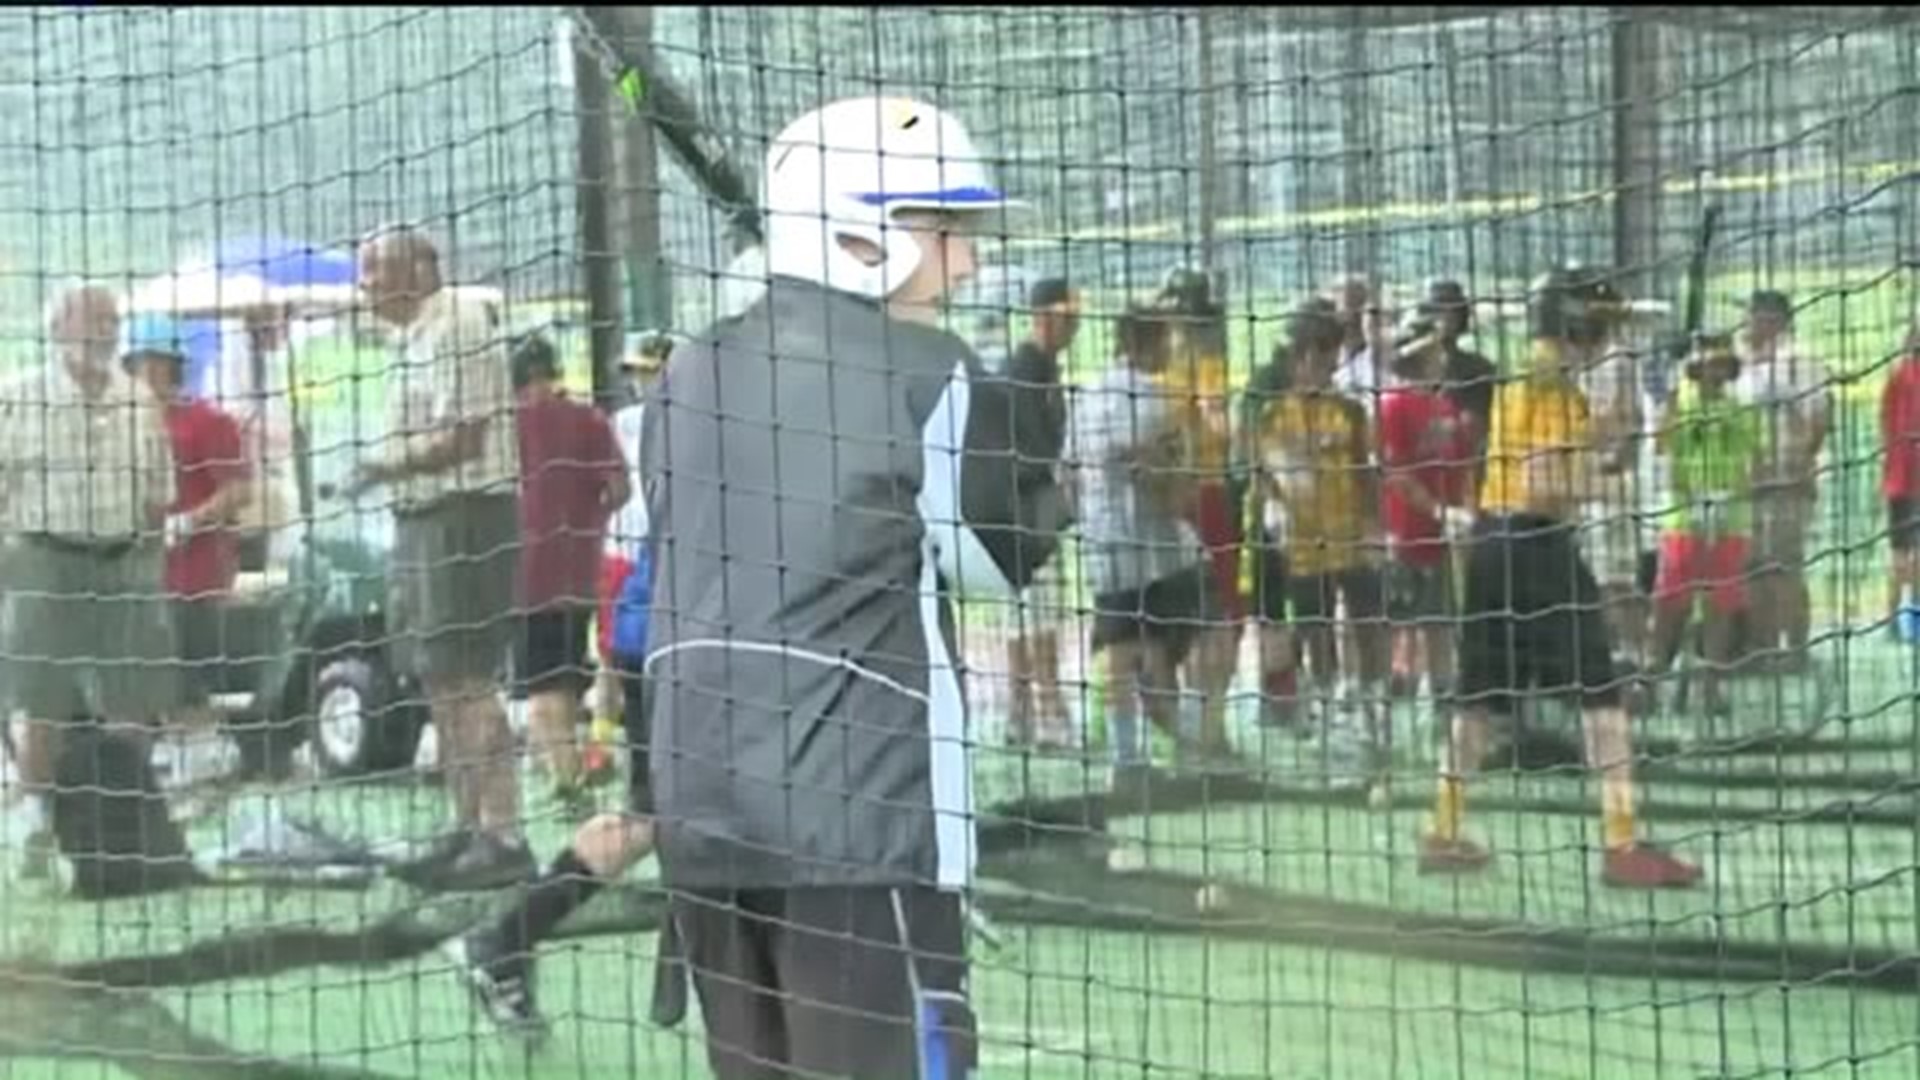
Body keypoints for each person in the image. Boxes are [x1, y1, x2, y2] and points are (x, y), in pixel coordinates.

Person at [634, 96, 1064, 1079]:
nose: (967, 262)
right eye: (944, 231)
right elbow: (998, 558)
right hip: (862, 826)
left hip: (701, 817)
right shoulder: (930, 371)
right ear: (860, 234)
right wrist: (1031, 442)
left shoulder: (685, 371)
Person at [1423, 265, 1702, 889]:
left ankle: (1443, 830)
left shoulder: (1541, 375)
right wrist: (1605, 479)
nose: (1603, 338)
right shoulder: (1550, 382)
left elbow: (1588, 442)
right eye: (1598, 327)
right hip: (1537, 548)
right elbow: (1547, 484)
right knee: (1603, 698)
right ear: (1577, 324)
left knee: (1477, 701)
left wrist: (1623, 398)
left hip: (1494, 546)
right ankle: (1623, 844)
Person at [345, 225, 531, 892]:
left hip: (465, 517)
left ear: (420, 269)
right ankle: (467, 831)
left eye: (374, 268)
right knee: (439, 680)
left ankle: (504, 834)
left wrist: (377, 465)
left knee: (468, 678)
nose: (362, 282)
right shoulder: (410, 338)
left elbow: (463, 437)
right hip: (423, 520)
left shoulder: (460, 324)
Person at [0, 285, 178, 877]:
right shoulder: (19, 397)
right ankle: (35, 823)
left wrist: (148, 566)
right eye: (93, 319)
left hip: (123, 562)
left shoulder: (139, 401)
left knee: (130, 700)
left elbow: (158, 495)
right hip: (43, 561)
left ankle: (126, 822)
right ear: (57, 329)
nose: (107, 329)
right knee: (42, 700)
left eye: (112, 319)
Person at [1075, 307, 1220, 789]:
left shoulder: (1089, 394)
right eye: (1165, 341)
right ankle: (1191, 743)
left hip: (1102, 541)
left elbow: (1067, 471)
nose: (1170, 351)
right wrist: (1183, 492)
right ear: (1146, 343)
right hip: (1152, 544)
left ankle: (1131, 755)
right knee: (1177, 635)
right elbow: (1157, 473)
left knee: (1127, 645)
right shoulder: (1150, 397)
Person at [1253, 303, 1389, 780]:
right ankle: (1329, 715)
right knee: (1316, 630)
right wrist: (1276, 508)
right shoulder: (1273, 415)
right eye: (1319, 354)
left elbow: (1366, 471)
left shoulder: (1349, 410)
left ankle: (1371, 715)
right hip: (1304, 546)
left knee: (1368, 625)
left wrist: (1375, 527)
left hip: (1350, 535)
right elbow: (1266, 476)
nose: (1325, 364)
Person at [123, 318, 252, 783]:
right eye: (134, 364)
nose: (141, 374)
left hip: (194, 569)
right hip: (138, 568)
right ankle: (147, 761)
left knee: (186, 666)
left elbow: (238, 489)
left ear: (169, 366)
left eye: (150, 364)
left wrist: (190, 520)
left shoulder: (205, 421)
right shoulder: (125, 423)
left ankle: (201, 758)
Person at [510, 333, 630, 817]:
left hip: (524, 569)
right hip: (579, 568)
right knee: (564, 676)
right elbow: (619, 488)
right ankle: (572, 765)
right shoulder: (589, 420)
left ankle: (566, 780)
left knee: (540, 688)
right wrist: (589, 518)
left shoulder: (509, 424)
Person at [1647, 334, 1761, 715]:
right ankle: (1653, 680)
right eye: (1707, 364)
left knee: (1720, 604)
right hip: (1683, 518)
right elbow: (1661, 447)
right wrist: (1671, 399)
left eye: (1721, 364)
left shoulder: (1738, 409)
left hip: (1730, 520)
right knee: (1669, 603)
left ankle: (1709, 686)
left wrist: (1734, 492)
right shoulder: (1681, 404)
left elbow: (1752, 459)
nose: (1714, 371)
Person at [1376, 316, 1476, 703]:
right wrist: (1438, 510)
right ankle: (1398, 703)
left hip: (1444, 535)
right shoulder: (1394, 404)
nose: (1442, 356)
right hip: (1408, 534)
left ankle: (1441, 700)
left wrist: (1464, 511)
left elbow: (1463, 465)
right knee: (1406, 627)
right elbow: (1395, 471)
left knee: (1441, 624)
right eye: (1434, 351)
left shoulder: (1445, 403)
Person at [1002, 276, 1080, 750]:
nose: (1075, 326)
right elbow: (1032, 448)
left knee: (1025, 613)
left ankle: (1022, 715)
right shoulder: (1027, 368)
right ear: (1045, 315)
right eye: (1069, 317)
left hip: (1024, 507)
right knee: (1040, 612)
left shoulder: (1041, 365)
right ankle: (1048, 713)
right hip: (1028, 509)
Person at [1733, 289, 1830, 669]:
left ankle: (1796, 650)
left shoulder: (1800, 363)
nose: (1749, 324)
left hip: (1787, 485)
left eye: (1756, 317)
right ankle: (1762, 647)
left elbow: (1820, 421)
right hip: (1747, 485)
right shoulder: (1739, 365)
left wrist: (1796, 469)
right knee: (1753, 568)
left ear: (1776, 321)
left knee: (1785, 566)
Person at [1881, 325, 1920, 639]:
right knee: (1910, 554)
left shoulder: (1898, 376)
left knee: (1901, 553)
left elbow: (1886, 425)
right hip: (1907, 481)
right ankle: (1910, 620)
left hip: (1898, 481)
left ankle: (1893, 620)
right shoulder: (1902, 377)